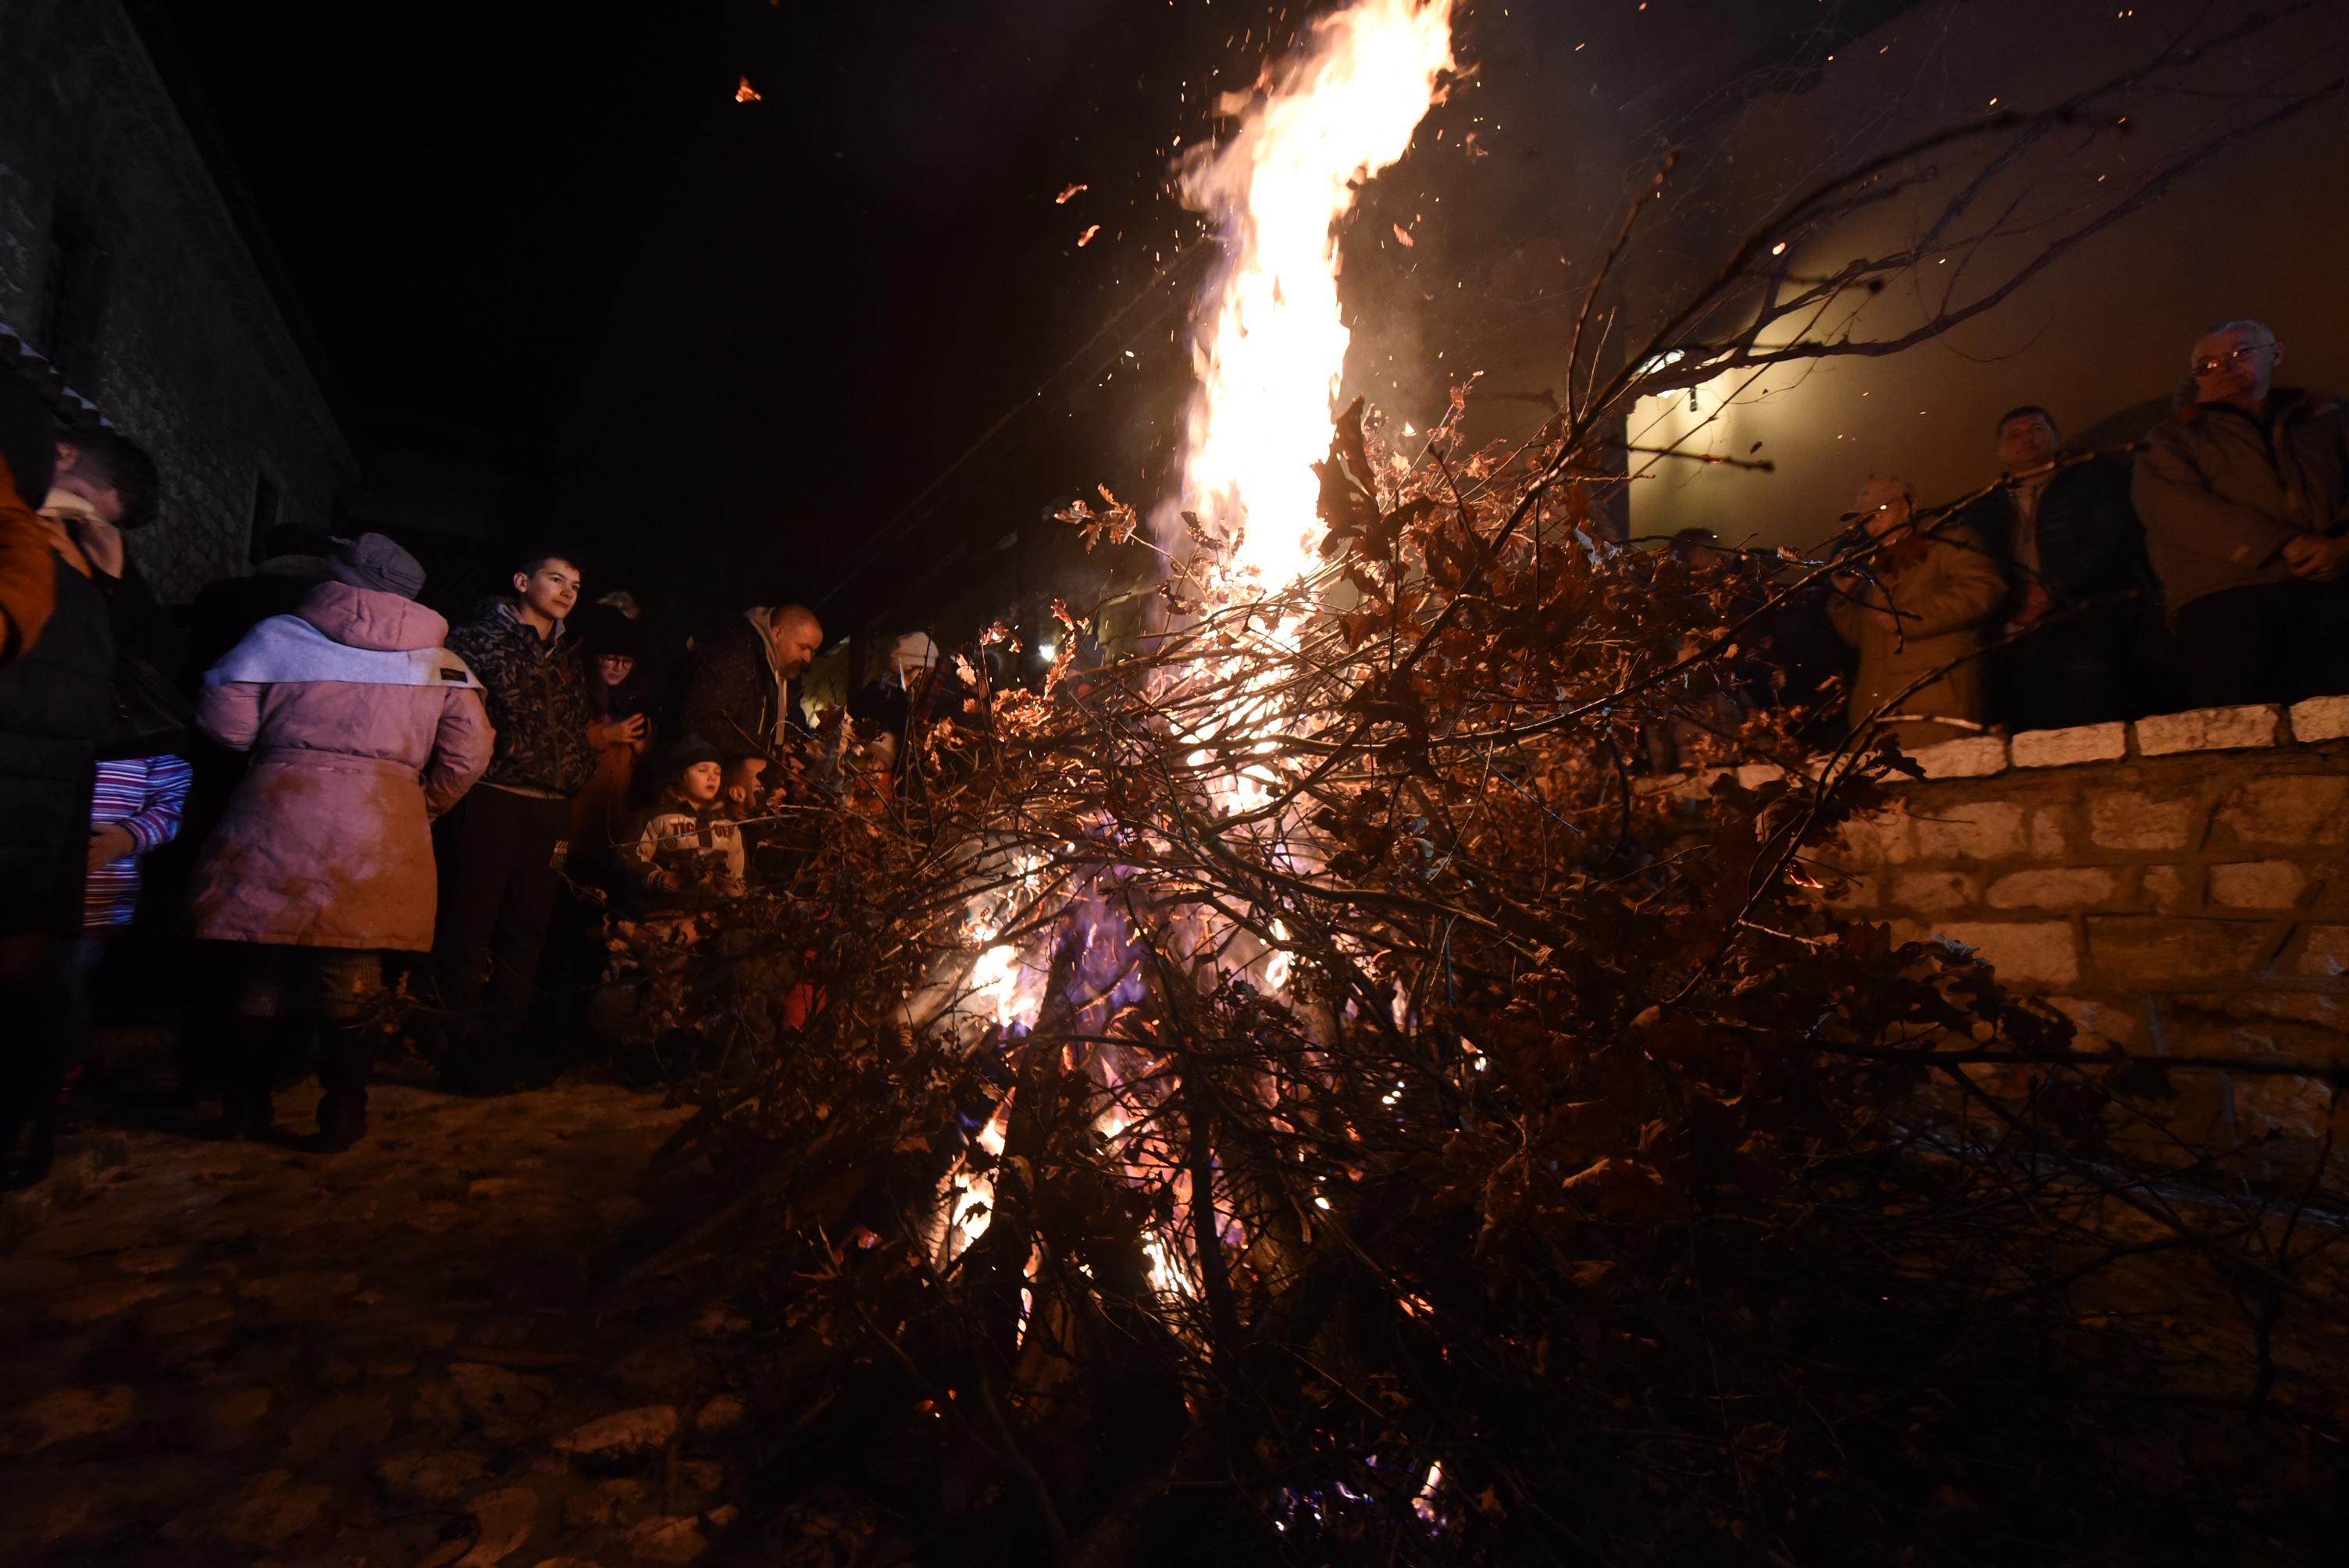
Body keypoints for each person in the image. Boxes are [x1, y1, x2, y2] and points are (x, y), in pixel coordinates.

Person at [188, 533, 491, 1149]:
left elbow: (226, 723)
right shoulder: (442, 662)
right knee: (352, 969)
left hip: (279, 808)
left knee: (261, 960)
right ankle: (343, 1111)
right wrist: (416, 804)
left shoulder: (277, 636)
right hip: (381, 825)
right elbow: (470, 754)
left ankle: (244, 1108)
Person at [436, 549, 598, 1071]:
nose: (568, 590)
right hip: (496, 797)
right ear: (522, 581)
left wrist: (578, 766)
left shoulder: (568, 654)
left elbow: (573, 723)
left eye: (575, 583)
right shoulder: (478, 639)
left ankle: (507, 1038)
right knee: (470, 921)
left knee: (529, 929)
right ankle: (449, 1037)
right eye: (556, 579)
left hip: (551, 806)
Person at [2132, 319, 2349, 708]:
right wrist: (2282, 542)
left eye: (2240, 353)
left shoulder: (2327, 417)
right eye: (2208, 365)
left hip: (2333, 589)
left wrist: (2342, 545)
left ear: (2276, 354)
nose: (2225, 369)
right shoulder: (2172, 438)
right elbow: (2176, 509)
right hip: (2224, 599)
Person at [0, 452, 112, 1187]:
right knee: (37, 967)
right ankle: (28, 1120)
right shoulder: (96, 577)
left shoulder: (33, 558)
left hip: (40, 801)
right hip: (56, 809)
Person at [1964, 405, 2151, 730]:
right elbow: (1977, 567)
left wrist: (2053, 589)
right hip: (2017, 626)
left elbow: (2113, 539)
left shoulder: (2093, 477)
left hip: (2086, 613)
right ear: (2000, 451)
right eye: (2015, 434)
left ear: (2054, 436)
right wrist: (2014, 603)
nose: (2027, 439)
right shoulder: (1983, 508)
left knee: (2094, 717)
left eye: (2036, 429)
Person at [1827, 475, 2005, 745]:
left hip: (1935, 707)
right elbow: (1859, 637)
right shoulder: (1875, 565)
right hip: (1876, 717)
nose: (1872, 522)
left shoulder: (1950, 541)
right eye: (1865, 516)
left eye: (1882, 510)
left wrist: (1908, 618)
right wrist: (1845, 597)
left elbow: (1985, 589)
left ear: (1910, 505)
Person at [666, 603, 824, 811]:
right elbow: (698, 719)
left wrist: (798, 758)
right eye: (803, 648)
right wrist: (763, 752)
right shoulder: (736, 656)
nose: (807, 658)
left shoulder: (786, 677)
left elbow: (791, 726)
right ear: (777, 634)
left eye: (812, 651)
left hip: (744, 794)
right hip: (712, 795)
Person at [619, 736, 747, 921]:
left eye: (717, 772)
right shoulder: (657, 816)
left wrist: (738, 903)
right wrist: (659, 878)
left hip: (713, 916)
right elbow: (628, 855)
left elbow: (737, 870)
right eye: (702, 770)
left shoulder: (727, 823)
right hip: (664, 912)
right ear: (680, 776)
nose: (712, 776)